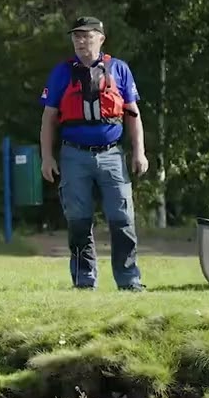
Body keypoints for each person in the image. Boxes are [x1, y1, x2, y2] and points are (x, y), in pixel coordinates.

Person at [39, 16, 149, 291]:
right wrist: (47, 157)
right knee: (78, 220)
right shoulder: (62, 72)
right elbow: (48, 118)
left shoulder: (120, 69)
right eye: (76, 36)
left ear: (101, 38)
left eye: (86, 35)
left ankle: (129, 281)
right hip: (74, 155)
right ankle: (84, 280)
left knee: (122, 218)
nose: (80, 41)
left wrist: (139, 153)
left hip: (112, 155)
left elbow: (133, 116)